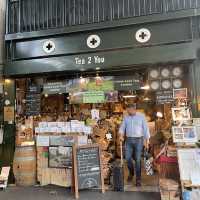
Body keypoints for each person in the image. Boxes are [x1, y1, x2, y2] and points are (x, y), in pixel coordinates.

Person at [119, 103, 150, 187]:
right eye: (127, 110)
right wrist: (121, 135)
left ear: (134, 109)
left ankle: (138, 179)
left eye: (129, 110)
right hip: (128, 140)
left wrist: (147, 141)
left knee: (137, 159)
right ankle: (131, 173)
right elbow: (122, 127)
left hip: (139, 140)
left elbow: (146, 128)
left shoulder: (141, 116)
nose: (128, 111)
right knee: (128, 158)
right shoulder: (126, 117)